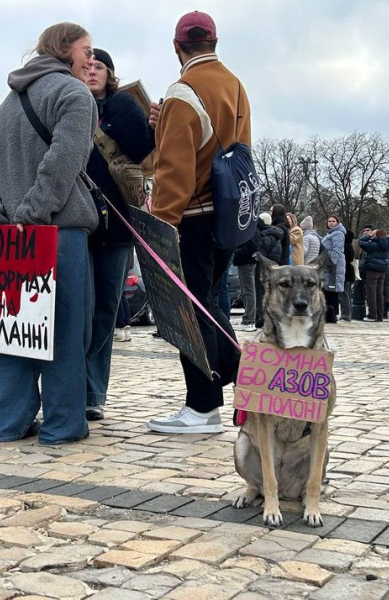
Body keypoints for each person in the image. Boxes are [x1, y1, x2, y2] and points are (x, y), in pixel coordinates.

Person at [0, 22, 98, 445]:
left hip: (10, 235)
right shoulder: (74, 95)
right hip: (57, 233)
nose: (91, 59)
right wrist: (32, 213)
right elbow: (63, 163)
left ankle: (7, 423)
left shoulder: (7, 104)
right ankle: (63, 425)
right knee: (65, 332)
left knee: (16, 329)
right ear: (66, 51)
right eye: (87, 50)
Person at [147, 11, 248, 434]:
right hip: (226, 217)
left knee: (189, 310)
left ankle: (204, 405)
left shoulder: (183, 91)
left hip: (191, 219)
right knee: (208, 303)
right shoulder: (234, 83)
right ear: (215, 42)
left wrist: (159, 228)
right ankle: (247, 382)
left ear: (177, 47)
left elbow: (175, 173)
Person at [84, 48, 154, 421]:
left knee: (104, 309)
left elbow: (144, 148)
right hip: (76, 221)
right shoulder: (67, 101)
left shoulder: (122, 106)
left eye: (100, 67)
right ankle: (69, 385)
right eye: (88, 65)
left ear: (110, 74)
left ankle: (93, 391)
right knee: (75, 309)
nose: (92, 71)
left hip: (115, 224)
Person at [254, 212, 284, 330]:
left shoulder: (266, 236)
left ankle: (262, 317)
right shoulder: (275, 234)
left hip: (264, 269)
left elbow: (261, 254)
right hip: (272, 268)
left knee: (261, 293)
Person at [358, 228, 389, 322]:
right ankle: (380, 315)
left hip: (372, 269)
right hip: (383, 270)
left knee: (371, 293)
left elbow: (360, 242)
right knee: (380, 293)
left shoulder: (372, 244)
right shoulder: (388, 244)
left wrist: (369, 236)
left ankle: (372, 315)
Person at [232, 225, 260, 332]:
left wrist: (237, 251)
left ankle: (248, 320)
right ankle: (249, 319)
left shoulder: (251, 229)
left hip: (246, 261)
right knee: (247, 291)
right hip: (247, 261)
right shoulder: (253, 229)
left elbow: (250, 247)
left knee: (248, 291)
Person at [321, 215, 346, 324]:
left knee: (332, 290)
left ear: (337, 222)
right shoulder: (329, 234)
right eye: (329, 221)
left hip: (333, 266)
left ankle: (332, 315)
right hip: (328, 264)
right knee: (327, 289)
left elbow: (337, 249)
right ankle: (328, 315)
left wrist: (332, 261)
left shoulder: (338, 234)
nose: (331, 223)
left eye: (333, 221)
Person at [340, 228, 356, 321]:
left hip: (345, 272)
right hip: (349, 272)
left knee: (344, 295)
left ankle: (345, 314)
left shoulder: (345, 246)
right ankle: (348, 314)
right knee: (348, 295)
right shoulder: (350, 246)